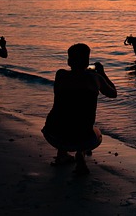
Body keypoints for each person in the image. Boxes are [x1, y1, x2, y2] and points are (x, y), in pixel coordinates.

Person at [42, 43, 117, 175]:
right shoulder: (95, 78)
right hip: (82, 137)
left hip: (53, 133)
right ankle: (80, 155)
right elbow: (113, 93)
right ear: (87, 62)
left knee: (65, 114)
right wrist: (102, 74)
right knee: (94, 130)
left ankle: (61, 154)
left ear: (69, 61)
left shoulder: (60, 75)